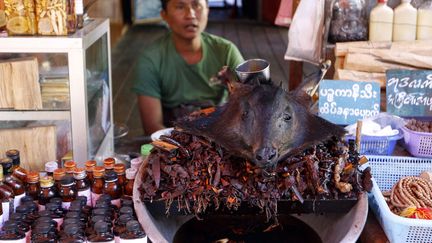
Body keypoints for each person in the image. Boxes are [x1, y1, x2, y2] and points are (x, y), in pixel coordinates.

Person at [132, 0, 244, 135]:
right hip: (172, 140)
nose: (190, 14)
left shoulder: (226, 51)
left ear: (207, 10)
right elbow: (152, 126)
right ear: (164, 15)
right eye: (180, 7)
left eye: (197, 5)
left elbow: (250, 105)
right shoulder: (151, 59)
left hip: (221, 136)